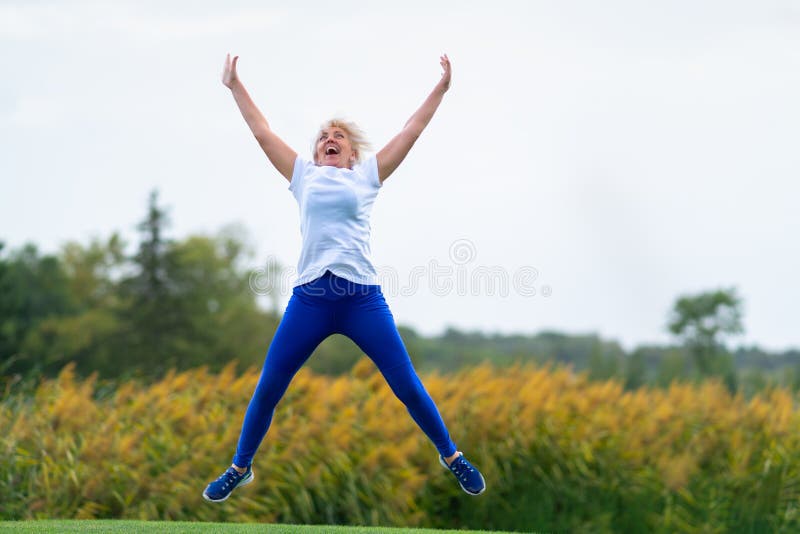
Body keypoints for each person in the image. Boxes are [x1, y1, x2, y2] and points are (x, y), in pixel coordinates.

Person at [203, 52, 486, 503]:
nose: (328, 140)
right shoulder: (304, 176)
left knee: (407, 385)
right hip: (311, 300)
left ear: (352, 154)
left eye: (337, 138)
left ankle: (452, 456)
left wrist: (441, 89)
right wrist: (234, 84)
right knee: (268, 388)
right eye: (322, 138)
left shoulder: (366, 177)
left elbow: (411, 131)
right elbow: (261, 132)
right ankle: (240, 467)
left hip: (361, 300)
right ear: (316, 153)